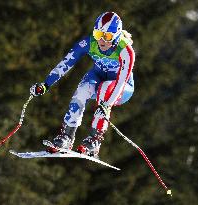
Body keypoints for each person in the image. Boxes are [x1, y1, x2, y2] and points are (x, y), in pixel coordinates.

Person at [30, 12, 136, 158]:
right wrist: (46, 84)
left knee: (105, 88)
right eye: (99, 34)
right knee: (82, 89)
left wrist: (106, 105)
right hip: (99, 78)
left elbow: (121, 82)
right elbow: (66, 63)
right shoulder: (89, 43)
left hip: (121, 89)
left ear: (117, 36)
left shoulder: (125, 51)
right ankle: (66, 136)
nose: (102, 40)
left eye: (108, 36)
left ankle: (94, 141)